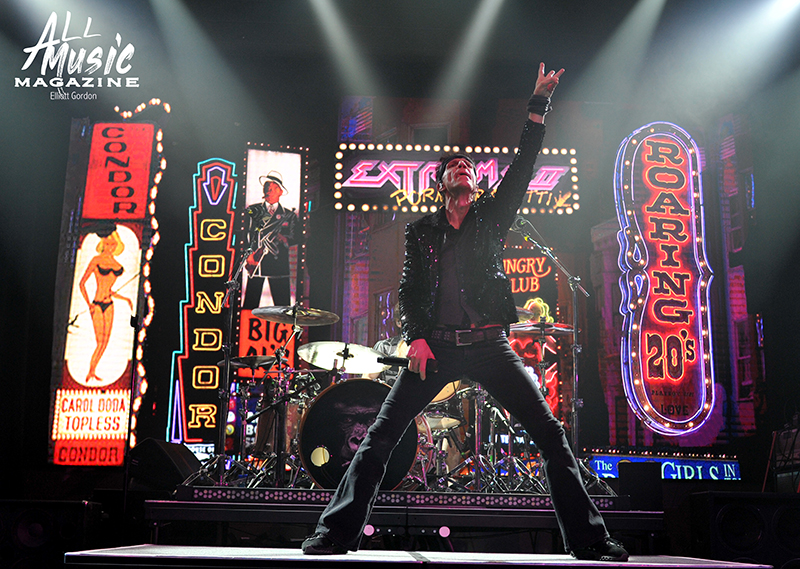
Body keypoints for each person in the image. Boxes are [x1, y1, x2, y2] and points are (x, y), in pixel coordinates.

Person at [302, 63, 628, 562]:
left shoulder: (492, 219)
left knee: (551, 436)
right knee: (380, 438)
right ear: (440, 183)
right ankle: (335, 534)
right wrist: (416, 336)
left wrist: (537, 106)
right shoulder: (421, 232)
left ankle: (591, 541)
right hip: (437, 349)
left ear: (475, 185)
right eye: (454, 166)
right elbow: (410, 289)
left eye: (469, 168)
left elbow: (524, 164)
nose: (463, 169)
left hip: (491, 347)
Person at [79, 228, 133, 382]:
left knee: (105, 343)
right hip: (96, 304)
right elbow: (82, 283)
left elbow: (110, 290)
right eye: (108, 243)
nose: (110, 247)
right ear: (103, 244)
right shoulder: (96, 260)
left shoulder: (117, 264)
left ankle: (93, 371)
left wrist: (125, 299)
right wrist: (89, 304)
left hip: (109, 304)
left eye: (113, 244)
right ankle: (90, 371)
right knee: (99, 342)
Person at [243, 171, 298, 308]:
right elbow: (245, 234)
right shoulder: (253, 211)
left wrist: (284, 239)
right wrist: (248, 254)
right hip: (257, 262)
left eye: (274, 188)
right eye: (267, 187)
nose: (270, 190)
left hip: (278, 264)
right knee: (250, 305)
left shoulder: (289, 215)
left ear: (280, 192)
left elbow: (296, 237)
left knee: (282, 308)